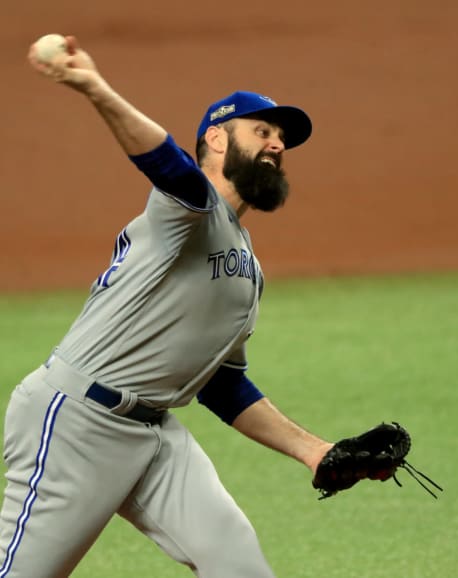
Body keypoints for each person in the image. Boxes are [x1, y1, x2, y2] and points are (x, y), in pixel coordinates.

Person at [0, 36, 333, 578]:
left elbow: (223, 385)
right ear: (217, 140)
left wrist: (313, 450)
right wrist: (92, 86)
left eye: (282, 138)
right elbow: (169, 166)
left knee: (238, 563)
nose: (277, 145)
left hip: (154, 434)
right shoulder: (189, 206)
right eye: (263, 131)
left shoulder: (247, 268)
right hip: (75, 421)